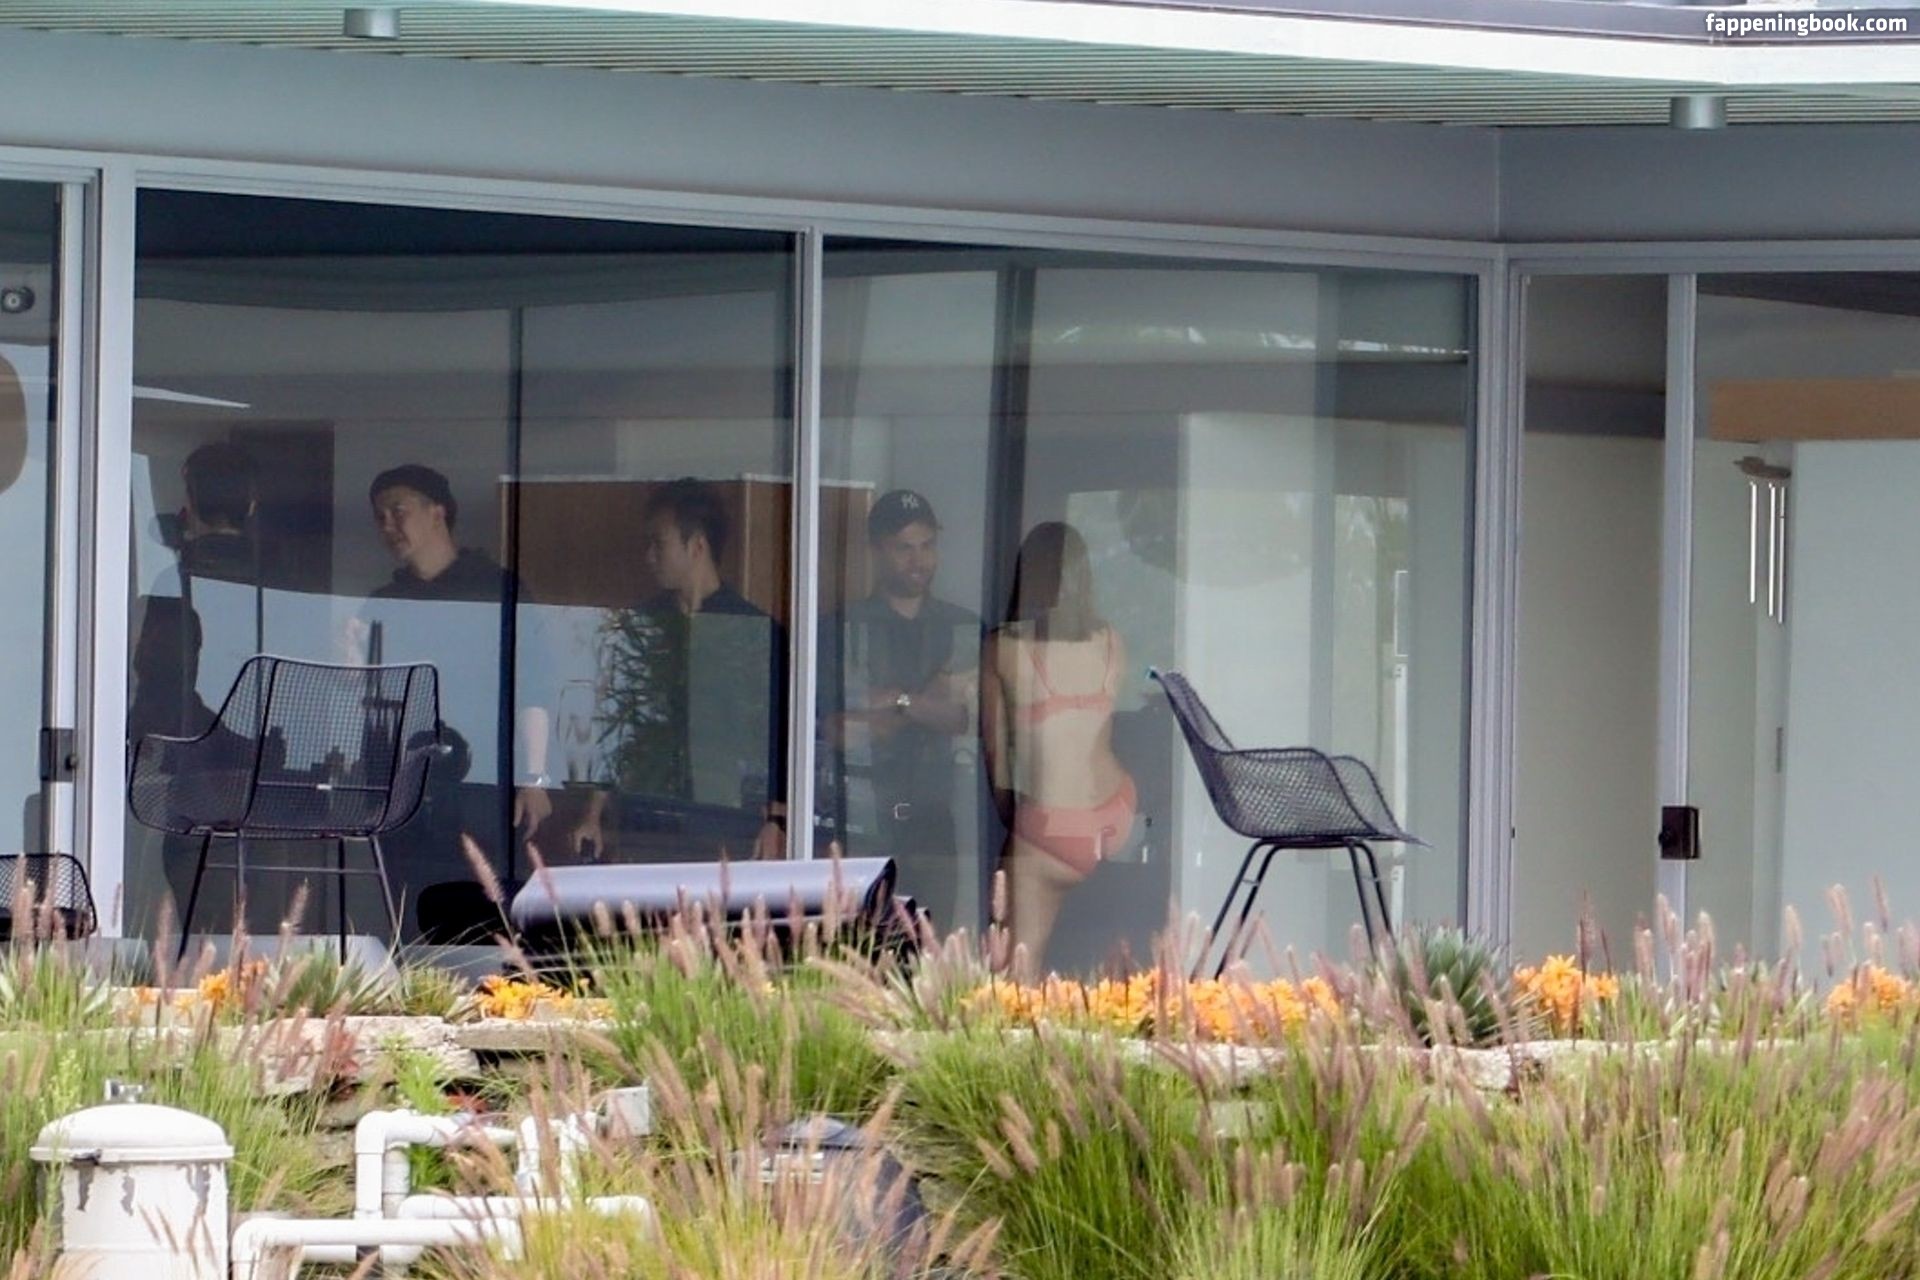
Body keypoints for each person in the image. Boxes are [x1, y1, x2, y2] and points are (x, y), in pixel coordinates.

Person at [571, 477, 787, 862]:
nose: (649, 556)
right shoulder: (639, 625)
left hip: (726, 819)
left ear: (697, 546)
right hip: (645, 817)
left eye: (660, 544)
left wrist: (777, 819)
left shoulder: (753, 631)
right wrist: (593, 814)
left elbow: (779, 737)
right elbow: (613, 723)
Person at [981, 521, 1134, 973]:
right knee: (1114, 964)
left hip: (1051, 819)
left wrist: (1016, 824)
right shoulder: (1112, 642)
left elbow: (996, 758)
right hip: (1116, 812)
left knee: (1014, 971)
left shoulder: (1003, 649)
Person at [819, 490, 979, 921]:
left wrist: (897, 701)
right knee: (864, 944)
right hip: (864, 821)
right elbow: (837, 730)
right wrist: (929, 703)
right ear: (876, 550)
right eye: (904, 548)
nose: (918, 560)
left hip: (938, 820)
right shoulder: (843, 627)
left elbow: (966, 720)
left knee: (934, 945)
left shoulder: (961, 627)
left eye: (927, 546)